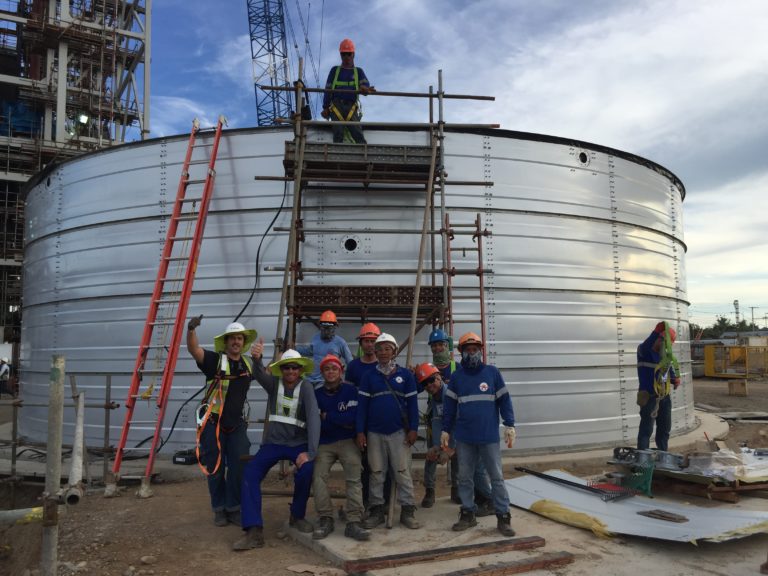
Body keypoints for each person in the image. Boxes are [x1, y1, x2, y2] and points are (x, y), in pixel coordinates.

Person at [234, 345, 320, 551]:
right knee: (251, 473)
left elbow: (314, 420)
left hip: (297, 444)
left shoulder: (306, 388)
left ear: (300, 370)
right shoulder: (274, 384)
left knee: (307, 471)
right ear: (281, 370)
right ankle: (254, 531)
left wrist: (310, 453)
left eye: (294, 368)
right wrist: (257, 359)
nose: (291, 372)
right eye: (287, 368)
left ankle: (296, 516)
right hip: (273, 444)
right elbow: (259, 374)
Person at [441, 332, 516, 536]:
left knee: (497, 478)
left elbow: (504, 400)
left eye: (475, 350)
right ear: (461, 353)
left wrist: (510, 424)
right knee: (464, 478)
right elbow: (449, 407)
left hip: (489, 437)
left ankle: (503, 517)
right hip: (464, 438)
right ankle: (468, 514)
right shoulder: (457, 378)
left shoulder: (492, 373)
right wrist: (445, 430)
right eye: (468, 350)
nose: (472, 353)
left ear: (480, 351)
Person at [186, 316, 257, 527]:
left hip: (236, 426)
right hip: (213, 424)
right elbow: (194, 350)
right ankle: (219, 508)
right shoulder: (215, 361)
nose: (236, 342)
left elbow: (270, 374)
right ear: (225, 342)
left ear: (243, 343)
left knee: (238, 467)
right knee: (215, 468)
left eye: (239, 338)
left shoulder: (248, 364)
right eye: (232, 338)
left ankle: (233, 507)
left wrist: (278, 353)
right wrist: (191, 329)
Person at [355, 332, 421, 530]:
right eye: (379, 349)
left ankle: (408, 510)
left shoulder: (406, 376)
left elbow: (413, 405)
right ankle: (377, 510)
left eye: (387, 349)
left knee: (402, 472)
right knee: (376, 473)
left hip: (399, 433)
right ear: (374, 352)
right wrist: (360, 432)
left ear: (394, 352)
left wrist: (414, 429)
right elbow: (362, 407)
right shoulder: (369, 377)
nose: (383, 352)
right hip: (374, 433)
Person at [415, 362, 494, 516]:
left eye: (432, 380)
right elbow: (439, 422)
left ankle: (488, 501)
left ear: (439, 377)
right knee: (466, 470)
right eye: (425, 384)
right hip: (460, 436)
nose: (430, 386)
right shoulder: (435, 398)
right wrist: (437, 447)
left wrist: (450, 450)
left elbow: (460, 424)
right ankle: (479, 500)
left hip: (473, 434)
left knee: (476, 470)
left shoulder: (451, 395)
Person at [312, 354, 370, 542]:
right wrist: (337, 420)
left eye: (334, 368)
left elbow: (352, 419)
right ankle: (326, 518)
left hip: (347, 441)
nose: (331, 372)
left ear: (341, 371)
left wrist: (328, 416)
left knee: (354, 477)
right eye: (327, 369)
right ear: (322, 372)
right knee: (318, 477)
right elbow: (315, 422)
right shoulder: (317, 394)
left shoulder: (351, 391)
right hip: (325, 443)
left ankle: (353, 522)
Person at [636, 321, 681, 452]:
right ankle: (643, 458)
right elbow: (650, 342)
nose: (664, 345)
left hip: (664, 397)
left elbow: (668, 370)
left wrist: (675, 379)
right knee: (646, 430)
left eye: (667, 344)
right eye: (662, 341)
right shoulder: (644, 351)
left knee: (664, 429)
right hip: (649, 397)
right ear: (658, 338)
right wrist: (658, 330)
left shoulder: (665, 356)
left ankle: (662, 456)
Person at [321, 38, 375, 144]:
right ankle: (337, 157)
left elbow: (365, 85)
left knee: (357, 134)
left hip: (351, 106)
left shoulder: (358, 71)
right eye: (344, 54)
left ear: (353, 54)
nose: (346, 56)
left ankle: (365, 157)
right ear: (341, 55)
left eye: (348, 54)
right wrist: (325, 107)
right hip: (336, 106)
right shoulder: (334, 71)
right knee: (338, 133)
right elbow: (328, 90)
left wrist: (365, 88)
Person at [297, 309, 354, 387]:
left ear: (335, 327)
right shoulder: (316, 338)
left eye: (329, 328)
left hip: (326, 381)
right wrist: (294, 348)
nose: (326, 331)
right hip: (310, 379)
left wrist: (349, 381)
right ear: (320, 327)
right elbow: (310, 351)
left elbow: (350, 363)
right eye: (324, 328)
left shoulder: (340, 343)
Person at [345, 322, 381, 387]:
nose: (369, 345)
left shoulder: (383, 365)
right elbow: (348, 391)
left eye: (372, 341)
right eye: (366, 341)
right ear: (360, 344)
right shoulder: (352, 366)